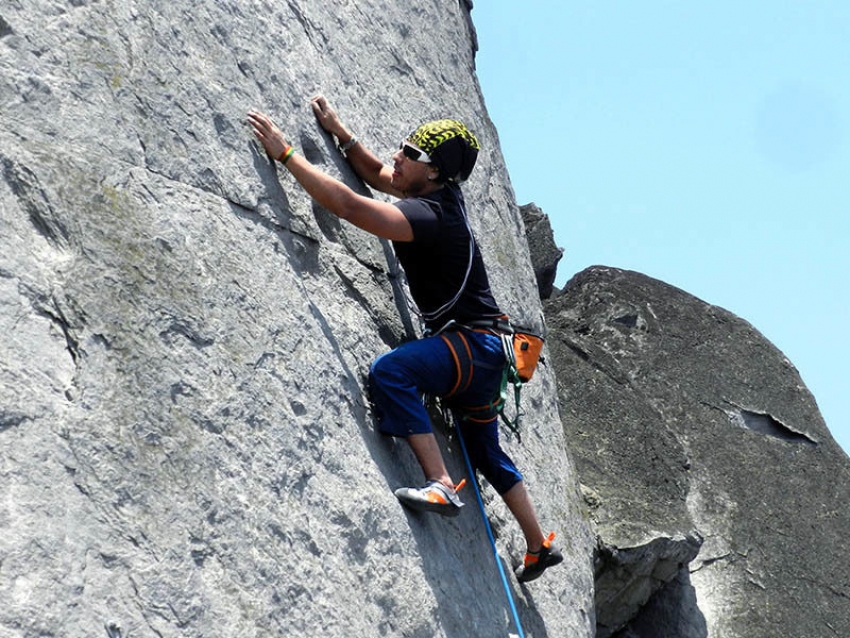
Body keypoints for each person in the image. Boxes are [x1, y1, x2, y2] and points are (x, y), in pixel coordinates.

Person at [247, 97, 562, 582]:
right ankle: (538, 544)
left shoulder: (433, 217)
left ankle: (440, 483)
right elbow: (383, 177)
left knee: (394, 371)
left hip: (471, 350)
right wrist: (340, 133)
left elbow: (354, 207)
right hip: (486, 359)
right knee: (486, 453)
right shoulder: (439, 195)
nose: (399, 155)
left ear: (434, 172)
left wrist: (288, 155)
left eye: (410, 152)